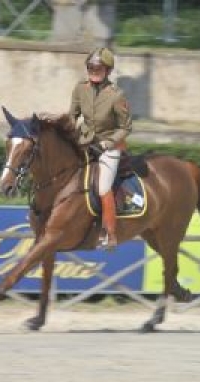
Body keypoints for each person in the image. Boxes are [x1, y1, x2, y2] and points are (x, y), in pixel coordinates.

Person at [69, 47, 133, 251]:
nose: (94, 71)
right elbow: (73, 115)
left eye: (98, 68)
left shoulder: (116, 95)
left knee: (103, 186)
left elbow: (126, 127)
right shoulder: (80, 89)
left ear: (107, 70)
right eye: (91, 67)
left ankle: (110, 233)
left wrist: (108, 143)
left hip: (109, 147)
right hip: (85, 143)